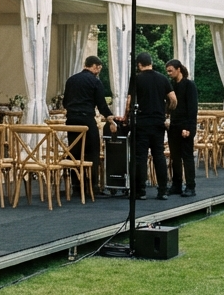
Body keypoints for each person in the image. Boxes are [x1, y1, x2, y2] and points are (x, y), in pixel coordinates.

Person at [62, 55, 117, 197]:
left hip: (71, 121)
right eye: (99, 68)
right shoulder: (95, 81)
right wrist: (110, 118)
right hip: (86, 120)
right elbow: (101, 105)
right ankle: (92, 186)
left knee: (74, 152)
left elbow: (65, 102)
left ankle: (76, 185)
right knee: (93, 152)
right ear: (96, 67)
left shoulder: (71, 80)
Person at [124, 51, 176, 199]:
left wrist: (126, 117)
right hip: (158, 122)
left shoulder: (136, 79)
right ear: (151, 63)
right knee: (158, 155)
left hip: (141, 122)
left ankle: (140, 191)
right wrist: (166, 112)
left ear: (139, 65)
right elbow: (173, 99)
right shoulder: (162, 78)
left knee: (140, 157)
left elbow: (129, 102)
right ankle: (163, 190)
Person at [165, 59, 198, 197]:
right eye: (167, 71)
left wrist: (189, 128)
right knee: (175, 157)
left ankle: (190, 186)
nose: (169, 73)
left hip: (185, 125)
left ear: (178, 69)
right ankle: (176, 184)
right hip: (173, 125)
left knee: (187, 156)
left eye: (171, 70)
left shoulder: (189, 85)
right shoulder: (172, 85)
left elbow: (192, 108)